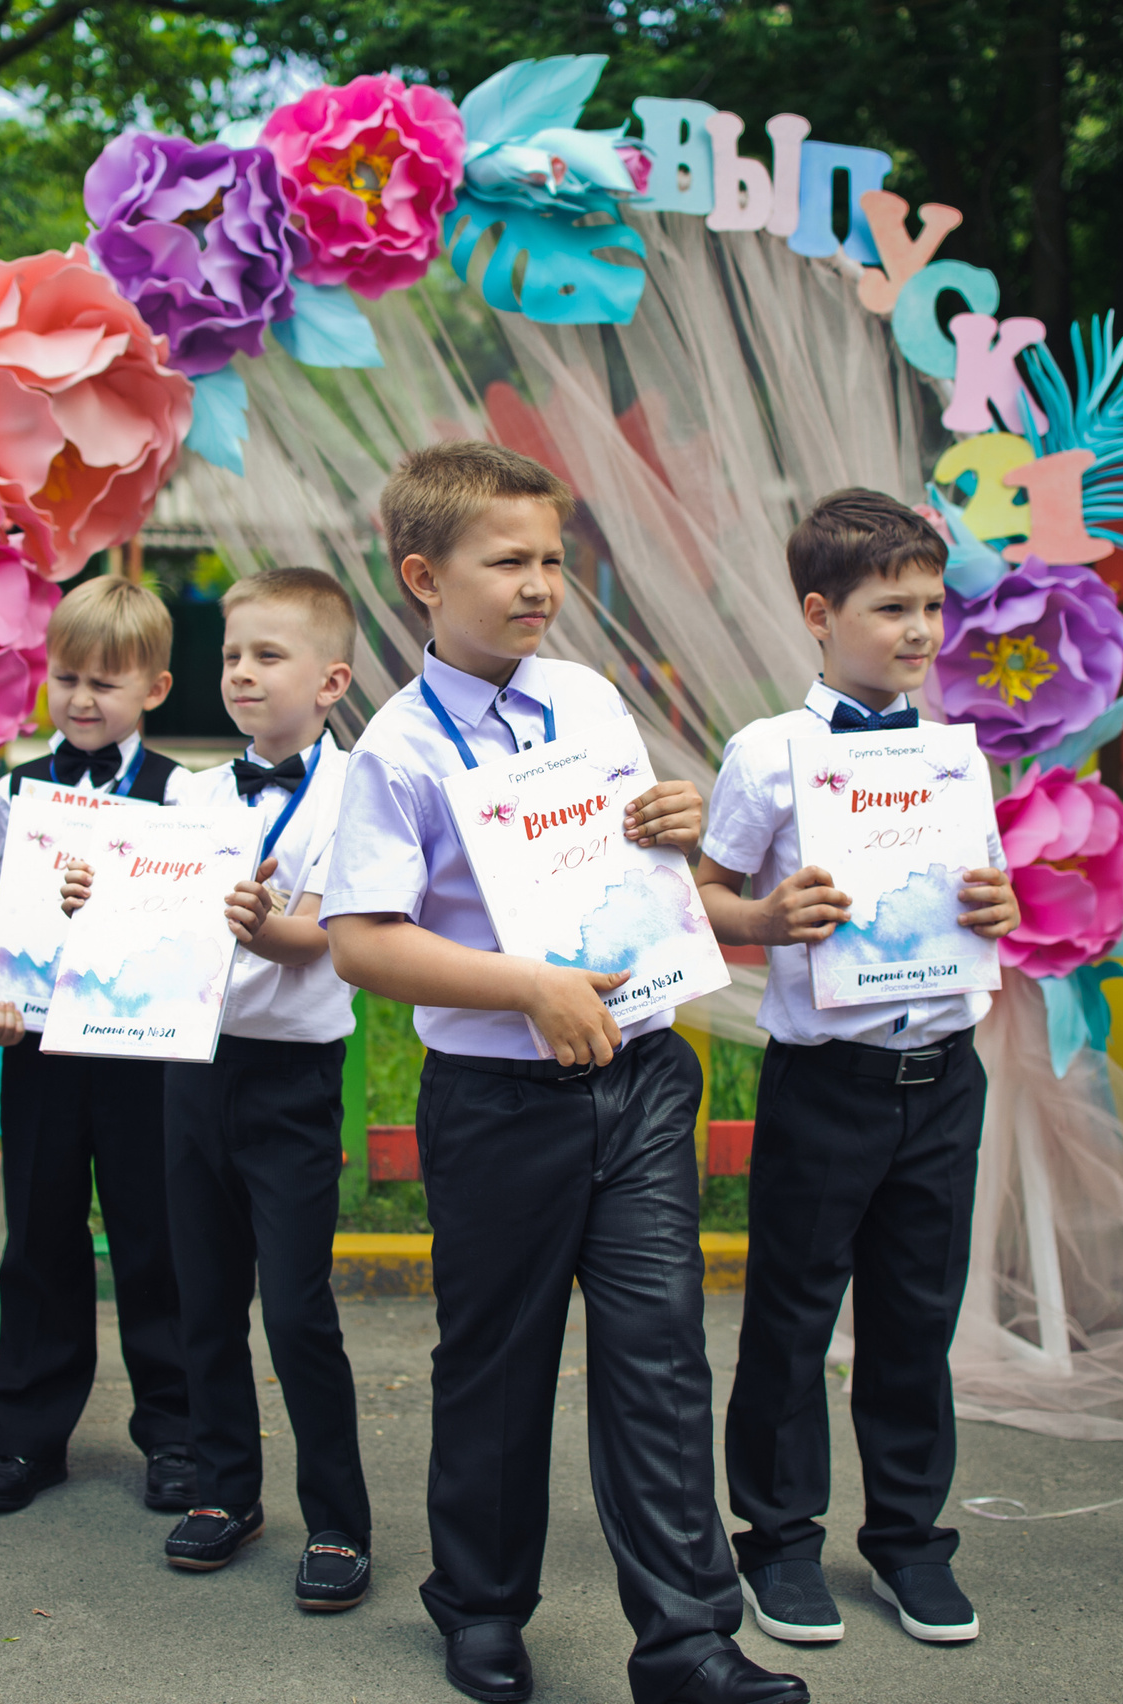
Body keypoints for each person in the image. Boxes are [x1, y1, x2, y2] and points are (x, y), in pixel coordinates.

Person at [321, 442, 806, 1704]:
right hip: (497, 1103)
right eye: (508, 561)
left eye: (551, 558)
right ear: (423, 576)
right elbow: (363, 942)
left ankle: (690, 1643)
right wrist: (526, 986)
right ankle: (480, 1610)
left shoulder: (589, 700)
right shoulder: (394, 750)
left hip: (641, 1076)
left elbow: (642, 864)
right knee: (497, 1360)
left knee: (657, 1357)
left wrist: (679, 822)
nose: (540, 583)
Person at [692, 491, 1020, 1648]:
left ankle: (909, 1541)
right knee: (790, 1314)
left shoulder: (952, 755)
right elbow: (705, 897)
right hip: (826, 1081)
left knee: (913, 1318)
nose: (922, 630)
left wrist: (1000, 902)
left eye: (932, 606)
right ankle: (776, 1541)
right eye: (893, 608)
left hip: (942, 1073)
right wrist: (767, 915)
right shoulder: (767, 754)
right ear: (820, 615)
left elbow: (978, 894)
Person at [65, 568, 375, 1607]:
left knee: (295, 1311)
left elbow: (333, 940)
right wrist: (90, 897)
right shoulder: (193, 794)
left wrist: (263, 924)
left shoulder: (357, 795)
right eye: (233, 654)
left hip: (291, 1081)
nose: (241, 672)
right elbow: (144, 923)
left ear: (332, 680)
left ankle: (336, 1519)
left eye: (268, 656)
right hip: (190, 1070)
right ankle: (224, 1486)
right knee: (204, 1300)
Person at [0, 575, 195, 1515]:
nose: (84, 699)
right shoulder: (20, 789)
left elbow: (192, 922)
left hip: (146, 1058)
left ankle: (175, 1435)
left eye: (107, 681)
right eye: (67, 679)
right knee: (40, 1239)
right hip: (40, 1052)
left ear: (155, 689)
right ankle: (26, 1437)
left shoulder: (183, 792)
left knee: (155, 1242)